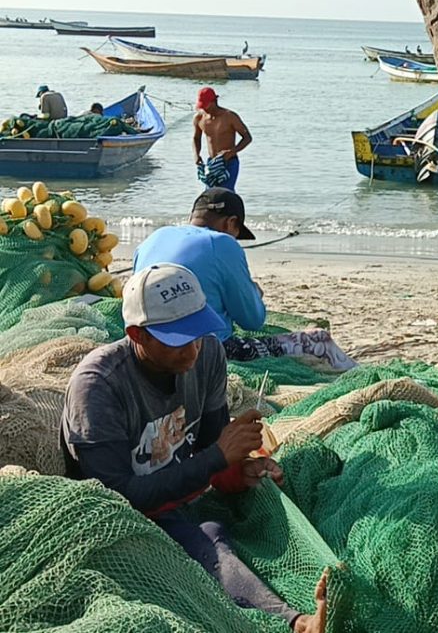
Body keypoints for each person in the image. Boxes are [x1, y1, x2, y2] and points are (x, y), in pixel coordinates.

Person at [61, 264, 329, 632]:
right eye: (177, 339)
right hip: (120, 518)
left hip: (181, 490)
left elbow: (208, 443)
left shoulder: (208, 355)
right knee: (208, 541)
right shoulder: (98, 387)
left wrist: (237, 468)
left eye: (198, 332)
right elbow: (117, 497)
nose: (193, 349)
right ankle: (294, 623)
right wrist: (217, 457)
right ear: (137, 334)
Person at [134, 188, 357, 371]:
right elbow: (252, 320)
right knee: (318, 339)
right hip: (199, 349)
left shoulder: (153, 238)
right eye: (237, 232)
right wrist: (255, 295)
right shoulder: (221, 243)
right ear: (231, 223)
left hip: (151, 343)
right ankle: (356, 374)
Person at [193, 87, 251, 191]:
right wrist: (197, 155)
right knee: (210, 195)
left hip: (229, 162)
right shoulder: (199, 118)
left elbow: (247, 138)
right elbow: (196, 138)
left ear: (214, 101)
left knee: (226, 193)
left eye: (206, 105)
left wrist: (232, 152)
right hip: (212, 163)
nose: (204, 109)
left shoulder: (230, 116)